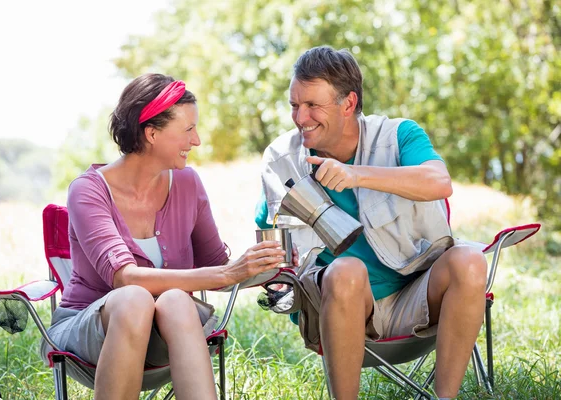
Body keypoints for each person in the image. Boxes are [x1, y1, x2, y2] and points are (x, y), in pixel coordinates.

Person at [256, 46, 487, 399]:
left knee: (470, 260)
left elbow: (439, 182)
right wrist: (274, 282)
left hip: (416, 295)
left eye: (312, 105)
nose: (300, 117)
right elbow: (267, 236)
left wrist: (357, 175)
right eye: (294, 105)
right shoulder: (280, 158)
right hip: (335, 307)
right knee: (347, 270)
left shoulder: (398, 136)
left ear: (348, 104)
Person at [41, 73, 288, 400]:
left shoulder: (188, 184)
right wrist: (227, 272)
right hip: (89, 335)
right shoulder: (88, 190)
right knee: (134, 298)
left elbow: (217, 268)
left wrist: (263, 266)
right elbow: (125, 279)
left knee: (174, 299)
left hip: (167, 332)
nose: (196, 141)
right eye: (188, 129)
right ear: (152, 133)